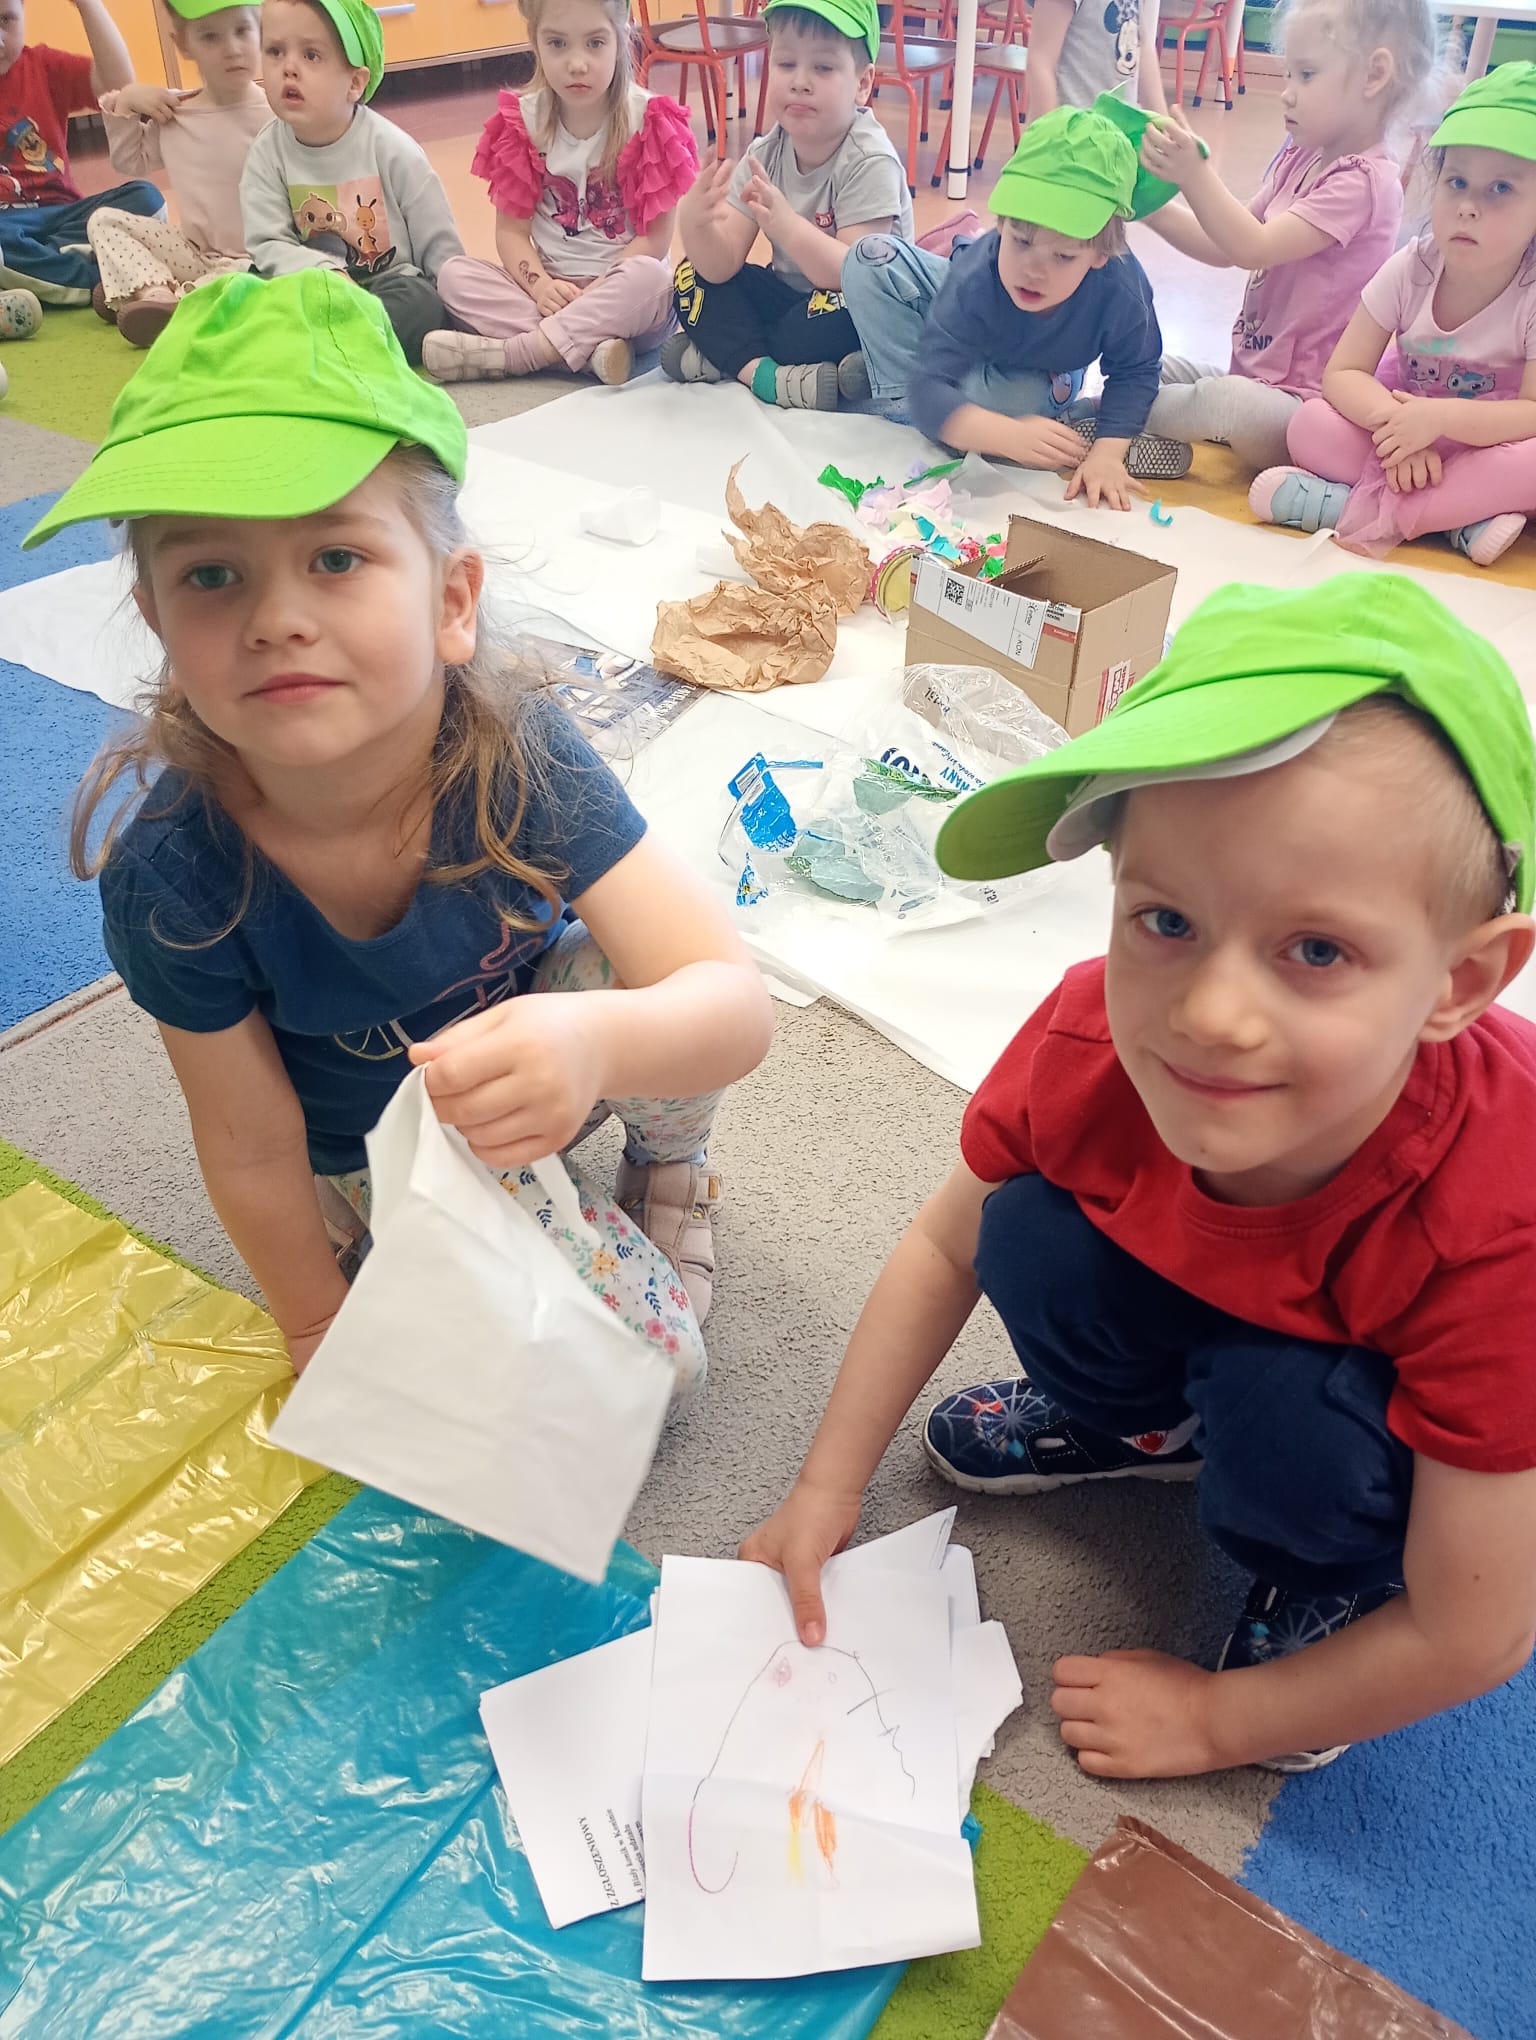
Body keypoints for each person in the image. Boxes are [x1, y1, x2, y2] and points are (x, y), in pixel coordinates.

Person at [741, 573, 1536, 1782]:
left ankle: (1325, 1577)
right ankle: (1148, 1429)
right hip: (1209, 1303)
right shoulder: (1087, 1041)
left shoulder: (1500, 1213)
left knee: (1296, 1428)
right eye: (1166, 922)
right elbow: (943, 1245)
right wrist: (822, 1486)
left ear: (1461, 984)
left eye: (1316, 949)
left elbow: (1480, 1632)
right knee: (1023, 1229)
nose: (1209, 1016)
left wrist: (1219, 1723)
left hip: (1357, 1406)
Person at [35, 269, 773, 1384]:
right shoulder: (173, 881)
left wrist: (590, 1044)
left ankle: (670, 1167)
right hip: (379, 1149)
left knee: (643, 974)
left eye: (336, 558)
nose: (277, 619)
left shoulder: (519, 752)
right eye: (212, 575)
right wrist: (312, 1323)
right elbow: (248, 1142)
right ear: (159, 623)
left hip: (548, 1062)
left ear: (451, 601)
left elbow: (729, 1002)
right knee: (638, 1378)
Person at [1252, 62, 1536, 569]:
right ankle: (1460, 521)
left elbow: (1531, 412)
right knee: (1309, 425)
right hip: (1399, 440)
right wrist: (1400, 430)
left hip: (1487, 447)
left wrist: (1439, 420)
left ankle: (1351, 509)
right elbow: (1343, 373)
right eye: (1457, 181)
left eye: (1501, 189)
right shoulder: (1411, 268)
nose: (1468, 206)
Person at [1135, 0, 1436, 470]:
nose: (1287, 94)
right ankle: (1127, 418)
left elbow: (1252, 247)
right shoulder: (1303, 158)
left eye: (1307, 75)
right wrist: (1143, 207)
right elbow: (1223, 245)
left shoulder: (1365, 183)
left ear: (1374, 76)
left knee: (1223, 403)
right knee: (1152, 364)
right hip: (1257, 382)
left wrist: (1193, 175)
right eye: (1288, 75)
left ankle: (1111, 417)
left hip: (1306, 406)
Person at [839, 108, 1186, 511]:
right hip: (976, 316)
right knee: (868, 257)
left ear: (1100, 256)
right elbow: (930, 381)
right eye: (1021, 241)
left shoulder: (1121, 287)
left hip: (1039, 371)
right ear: (1002, 225)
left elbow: (1137, 369)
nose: (1033, 271)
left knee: (1001, 404)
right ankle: (914, 402)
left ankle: (900, 398)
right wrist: (1002, 435)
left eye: (1062, 256)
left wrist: (1108, 453)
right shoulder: (977, 274)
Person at [422, 0, 695, 388]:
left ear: (621, 39)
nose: (577, 64)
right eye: (557, 44)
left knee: (653, 281)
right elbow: (512, 233)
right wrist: (541, 287)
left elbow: (654, 241)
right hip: (550, 292)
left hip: (622, 296)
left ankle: (521, 354)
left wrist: (596, 293)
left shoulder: (648, 119)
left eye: (595, 43)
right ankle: (591, 354)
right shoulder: (522, 122)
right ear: (535, 41)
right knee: (454, 276)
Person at [664, 0, 910, 412]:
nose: (800, 82)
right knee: (690, 278)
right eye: (785, 63)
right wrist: (695, 224)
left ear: (863, 83)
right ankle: (765, 374)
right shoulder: (766, 153)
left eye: (823, 68)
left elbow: (853, 275)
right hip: (793, 300)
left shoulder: (870, 159)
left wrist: (787, 225)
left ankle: (729, 354)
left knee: (820, 326)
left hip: (855, 303)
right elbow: (721, 266)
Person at [239, 0, 461, 365]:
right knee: (248, 286)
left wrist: (456, 297)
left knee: (423, 303)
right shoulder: (267, 151)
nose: (288, 68)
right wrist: (325, 274)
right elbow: (268, 243)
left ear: (355, 83)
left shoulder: (393, 149)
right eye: (275, 51)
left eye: (311, 55)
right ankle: (337, 348)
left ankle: (324, 350)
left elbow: (437, 238)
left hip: (385, 286)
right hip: (310, 286)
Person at [89, 0, 268, 348]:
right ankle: (156, 295)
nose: (232, 48)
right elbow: (129, 162)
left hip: (255, 260)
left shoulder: (279, 113)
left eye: (243, 30)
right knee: (104, 220)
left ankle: (142, 294)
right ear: (184, 45)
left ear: (262, 31)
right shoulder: (174, 111)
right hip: (193, 251)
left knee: (243, 281)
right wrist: (127, 99)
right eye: (211, 37)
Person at [0, 0, 161, 305]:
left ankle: (34, 275)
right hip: (5, 229)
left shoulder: (41, 66)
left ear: (23, 12)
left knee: (147, 198)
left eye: (6, 20)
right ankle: (113, 280)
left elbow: (119, 87)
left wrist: (88, 4)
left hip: (64, 216)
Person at [1026, 0, 1168, 123]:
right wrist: (1051, 136)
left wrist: (1164, 124)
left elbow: (1143, 45)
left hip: (1117, 132)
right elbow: (1040, 62)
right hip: (1071, 131)